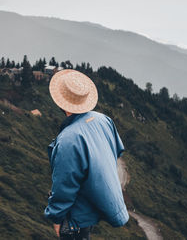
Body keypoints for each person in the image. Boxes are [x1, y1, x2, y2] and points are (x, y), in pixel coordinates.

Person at [45, 69, 129, 239]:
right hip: (92, 210)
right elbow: (116, 150)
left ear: (61, 102)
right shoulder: (103, 119)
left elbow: (65, 186)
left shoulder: (68, 139)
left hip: (75, 221)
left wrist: (56, 217)